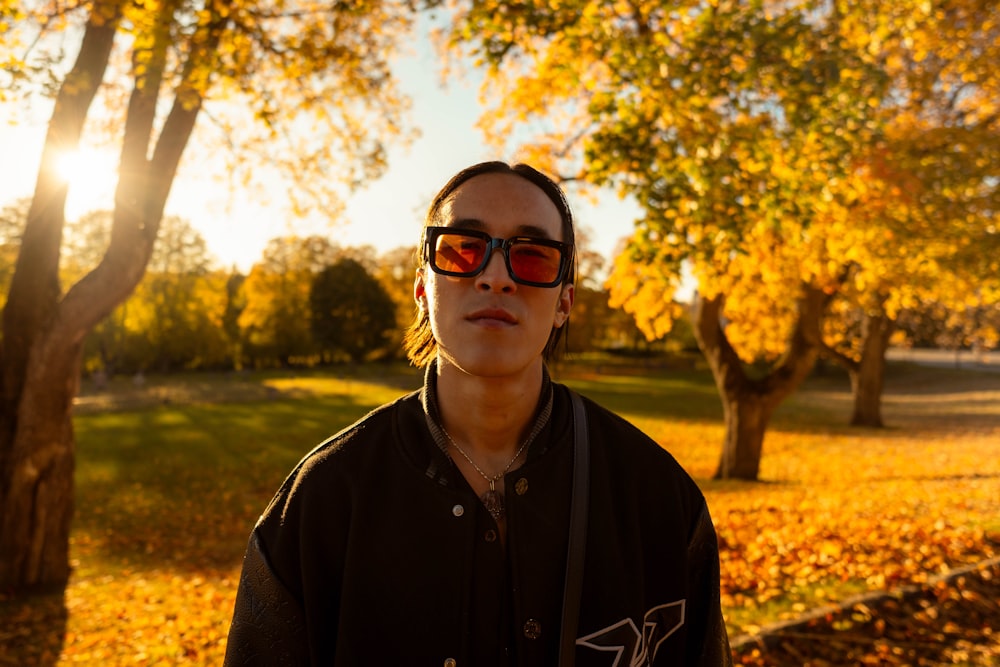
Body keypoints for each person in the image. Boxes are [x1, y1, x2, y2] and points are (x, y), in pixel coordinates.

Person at [223, 161, 732, 666]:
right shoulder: (323, 501)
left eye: (532, 257)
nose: (495, 277)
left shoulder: (659, 498)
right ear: (422, 287)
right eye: (463, 250)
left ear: (564, 303)